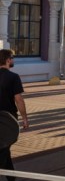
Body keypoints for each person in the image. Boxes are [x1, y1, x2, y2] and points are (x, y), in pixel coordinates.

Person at [0, 49, 29, 181]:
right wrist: (25, 119)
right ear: (8, 60)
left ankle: (11, 177)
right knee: (4, 149)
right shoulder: (13, 77)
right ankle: (11, 177)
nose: (14, 60)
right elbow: (19, 100)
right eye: (12, 57)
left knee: (4, 149)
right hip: (7, 120)